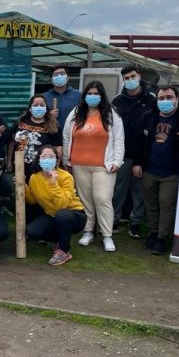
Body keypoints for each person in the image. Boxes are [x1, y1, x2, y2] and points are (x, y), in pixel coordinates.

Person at [62, 80, 124, 252]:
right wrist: (67, 159)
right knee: (85, 200)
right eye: (89, 93)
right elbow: (67, 137)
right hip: (79, 163)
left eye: (96, 94)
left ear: (102, 96)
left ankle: (107, 235)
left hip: (104, 165)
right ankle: (88, 231)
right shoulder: (76, 113)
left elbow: (119, 139)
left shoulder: (111, 114)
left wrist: (117, 161)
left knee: (102, 199)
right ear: (84, 96)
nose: (92, 97)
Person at [133, 85, 179, 255]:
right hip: (149, 169)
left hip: (171, 171)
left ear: (177, 98)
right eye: (161, 98)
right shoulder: (149, 116)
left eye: (169, 97)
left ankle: (162, 238)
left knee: (166, 204)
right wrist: (137, 163)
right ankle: (153, 233)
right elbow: (140, 141)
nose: (165, 101)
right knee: (151, 205)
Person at [111, 65, 156, 238]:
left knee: (139, 191)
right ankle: (114, 219)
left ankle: (135, 222)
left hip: (143, 155)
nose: (130, 80)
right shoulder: (117, 100)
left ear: (139, 76)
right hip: (122, 154)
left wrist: (140, 160)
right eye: (126, 78)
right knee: (118, 189)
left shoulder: (151, 99)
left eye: (132, 76)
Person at [25, 146, 87, 266]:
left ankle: (64, 250)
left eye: (51, 157)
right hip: (51, 215)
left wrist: (54, 184)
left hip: (74, 215)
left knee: (62, 215)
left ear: (57, 160)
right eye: (44, 156)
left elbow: (62, 205)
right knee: (32, 232)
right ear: (39, 160)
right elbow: (32, 200)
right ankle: (59, 239)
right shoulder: (35, 178)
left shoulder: (65, 177)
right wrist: (22, 186)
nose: (47, 159)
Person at [8, 94, 62, 177]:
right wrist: (9, 162)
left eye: (42, 105)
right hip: (19, 166)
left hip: (40, 168)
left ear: (46, 108)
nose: (39, 107)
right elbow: (11, 142)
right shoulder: (20, 122)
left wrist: (56, 164)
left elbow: (58, 146)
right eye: (35, 105)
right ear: (30, 108)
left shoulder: (53, 126)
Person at [44, 67, 82, 131]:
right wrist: (48, 116)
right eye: (55, 75)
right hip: (51, 135)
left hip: (72, 135)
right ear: (51, 80)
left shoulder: (78, 95)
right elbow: (37, 118)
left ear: (68, 78)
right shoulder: (44, 97)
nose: (59, 76)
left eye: (62, 74)